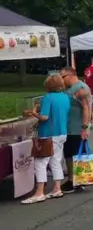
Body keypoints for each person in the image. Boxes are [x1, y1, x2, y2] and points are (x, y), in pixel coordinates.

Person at [22, 74, 70, 203]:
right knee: (56, 160)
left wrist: (34, 113)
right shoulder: (65, 97)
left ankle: (39, 192)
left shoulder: (47, 97)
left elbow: (44, 117)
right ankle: (57, 188)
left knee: (40, 162)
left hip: (48, 133)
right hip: (62, 132)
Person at [60, 67, 92, 193]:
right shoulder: (69, 89)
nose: (61, 80)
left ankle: (76, 181)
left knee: (75, 154)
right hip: (69, 127)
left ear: (69, 75)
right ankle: (73, 180)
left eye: (62, 77)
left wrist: (84, 127)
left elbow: (86, 108)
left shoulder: (81, 89)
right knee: (69, 154)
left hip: (76, 128)